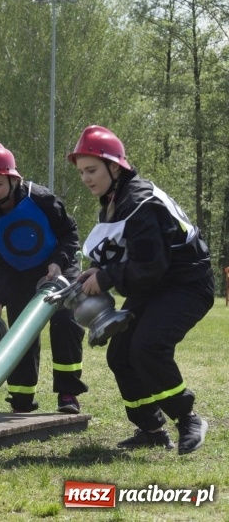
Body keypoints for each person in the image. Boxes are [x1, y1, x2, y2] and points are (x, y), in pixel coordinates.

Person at [69, 125, 214, 455]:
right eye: (81, 172)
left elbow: (150, 265)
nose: (86, 179)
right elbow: (130, 253)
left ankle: (188, 418)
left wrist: (105, 279)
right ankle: (150, 429)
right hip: (157, 284)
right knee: (120, 353)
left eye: (92, 170)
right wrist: (99, 269)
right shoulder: (116, 200)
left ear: (115, 167)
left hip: (186, 285)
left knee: (147, 346)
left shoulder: (136, 201)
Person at [0, 142, 87, 414]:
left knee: (64, 323)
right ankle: (22, 399)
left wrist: (57, 264)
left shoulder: (40, 198)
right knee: (21, 333)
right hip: (19, 274)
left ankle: (68, 393)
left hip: (58, 264)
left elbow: (69, 233)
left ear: (13, 180)